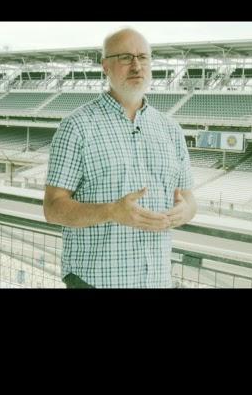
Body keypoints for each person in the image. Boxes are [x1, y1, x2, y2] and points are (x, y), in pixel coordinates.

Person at [43, 28, 197, 288]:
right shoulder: (76, 126)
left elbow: (189, 198)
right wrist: (112, 211)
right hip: (95, 281)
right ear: (105, 66)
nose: (136, 65)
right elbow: (53, 208)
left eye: (143, 57)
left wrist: (186, 211)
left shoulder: (171, 130)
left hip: (156, 281)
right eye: (126, 57)